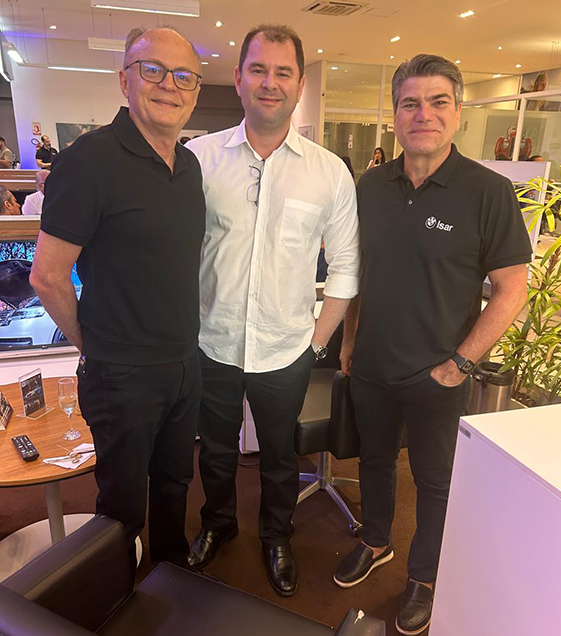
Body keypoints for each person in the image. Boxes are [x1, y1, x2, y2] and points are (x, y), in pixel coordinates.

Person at [333, 54, 532, 635]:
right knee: (373, 461)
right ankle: (376, 541)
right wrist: (350, 341)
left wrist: (460, 364)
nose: (424, 114)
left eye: (438, 102)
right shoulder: (371, 186)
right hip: (372, 364)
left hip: (438, 373)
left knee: (434, 479)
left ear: (458, 112)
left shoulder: (488, 191)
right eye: (410, 103)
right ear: (395, 115)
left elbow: (512, 288)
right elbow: (357, 271)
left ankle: (423, 574)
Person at [186, 24, 359, 597]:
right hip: (211, 341)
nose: (270, 82)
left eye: (283, 72)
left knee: (281, 457)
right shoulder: (198, 159)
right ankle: (218, 524)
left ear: (299, 84)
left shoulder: (329, 172)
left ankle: (276, 536)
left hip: (287, 348)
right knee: (215, 451)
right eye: (258, 69)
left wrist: (315, 343)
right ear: (238, 77)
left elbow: (346, 268)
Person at [30, 26, 205, 581]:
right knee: (123, 504)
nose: (169, 85)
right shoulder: (90, 161)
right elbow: (47, 277)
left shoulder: (190, 166)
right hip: (121, 372)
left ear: (195, 91)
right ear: (125, 80)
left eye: (184, 76)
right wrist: (95, 344)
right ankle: (117, 595)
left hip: (184, 360)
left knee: (175, 482)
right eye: (153, 69)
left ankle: (170, 575)